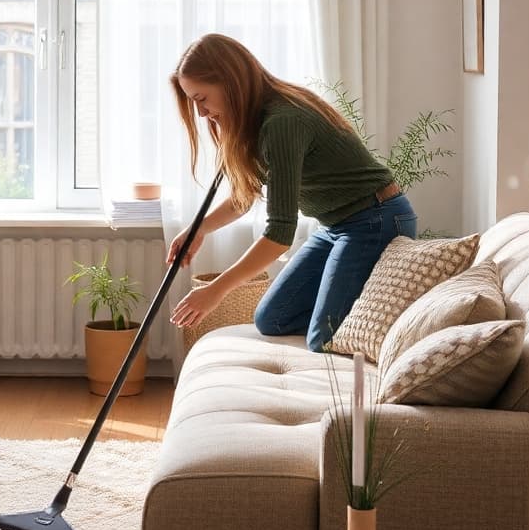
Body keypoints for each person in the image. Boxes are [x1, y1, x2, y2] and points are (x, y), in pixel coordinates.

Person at [167, 33, 417, 352]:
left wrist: (216, 290)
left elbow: (279, 235)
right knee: (273, 318)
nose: (201, 113)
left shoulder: (282, 121)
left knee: (323, 338)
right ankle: (349, 309)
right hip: (335, 227)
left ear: (229, 81)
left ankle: (371, 324)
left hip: (375, 219)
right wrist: (198, 229)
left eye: (202, 98)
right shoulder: (258, 120)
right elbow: (245, 196)